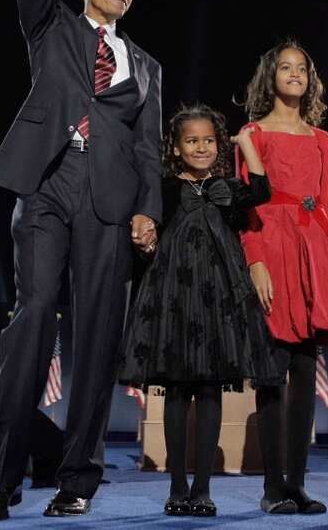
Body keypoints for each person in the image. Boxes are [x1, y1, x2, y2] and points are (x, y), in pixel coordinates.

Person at [0, 0, 163, 523]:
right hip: (46, 187)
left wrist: (149, 208)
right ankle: (3, 477)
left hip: (110, 206)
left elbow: (150, 147)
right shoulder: (50, 25)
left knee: (97, 338)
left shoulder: (147, 66)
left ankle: (78, 476)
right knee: (30, 322)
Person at [118, 104, 283, 517]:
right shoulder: (166, 187)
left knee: (210, 387)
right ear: (176, 148)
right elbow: (146, 222)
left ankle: (203, 488)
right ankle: (176, 487)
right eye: (192, 141)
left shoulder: (228, 187)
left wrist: (245, 145)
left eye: (208, 140)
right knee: (176, 388)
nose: (202, 147)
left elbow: (262, 190)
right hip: (174, 294)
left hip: (218, 297)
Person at [238, 41, 328, 514]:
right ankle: (271, 489)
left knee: (306, 373)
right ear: (270, 75)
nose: (294, 74)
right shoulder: (253, 133)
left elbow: (326, 207)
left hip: (313, 253)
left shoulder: (322, 139)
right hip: (271, 249)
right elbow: (246, 208)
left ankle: (297, 484)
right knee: (273, 373)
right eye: (285, 67)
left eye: (302, 68)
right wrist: (256, 263)